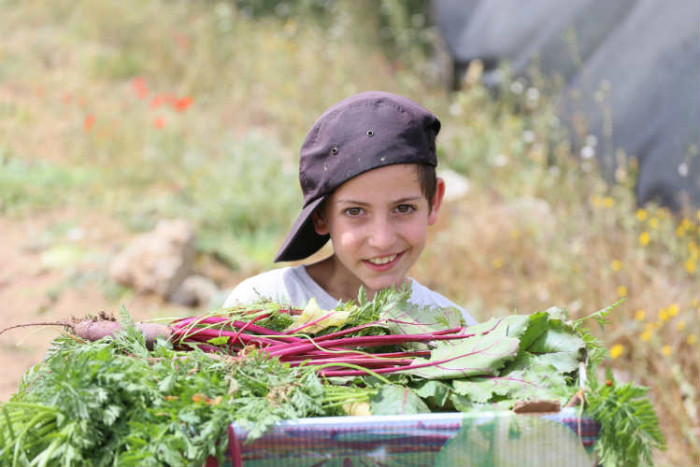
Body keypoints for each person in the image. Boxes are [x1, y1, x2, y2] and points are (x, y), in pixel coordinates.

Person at [223, 91, 477, 325]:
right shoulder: (265, 304)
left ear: (434, 201)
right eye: (355, 212)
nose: (382, 240)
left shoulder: (455, 330)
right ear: (321, 216)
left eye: (403, 208)